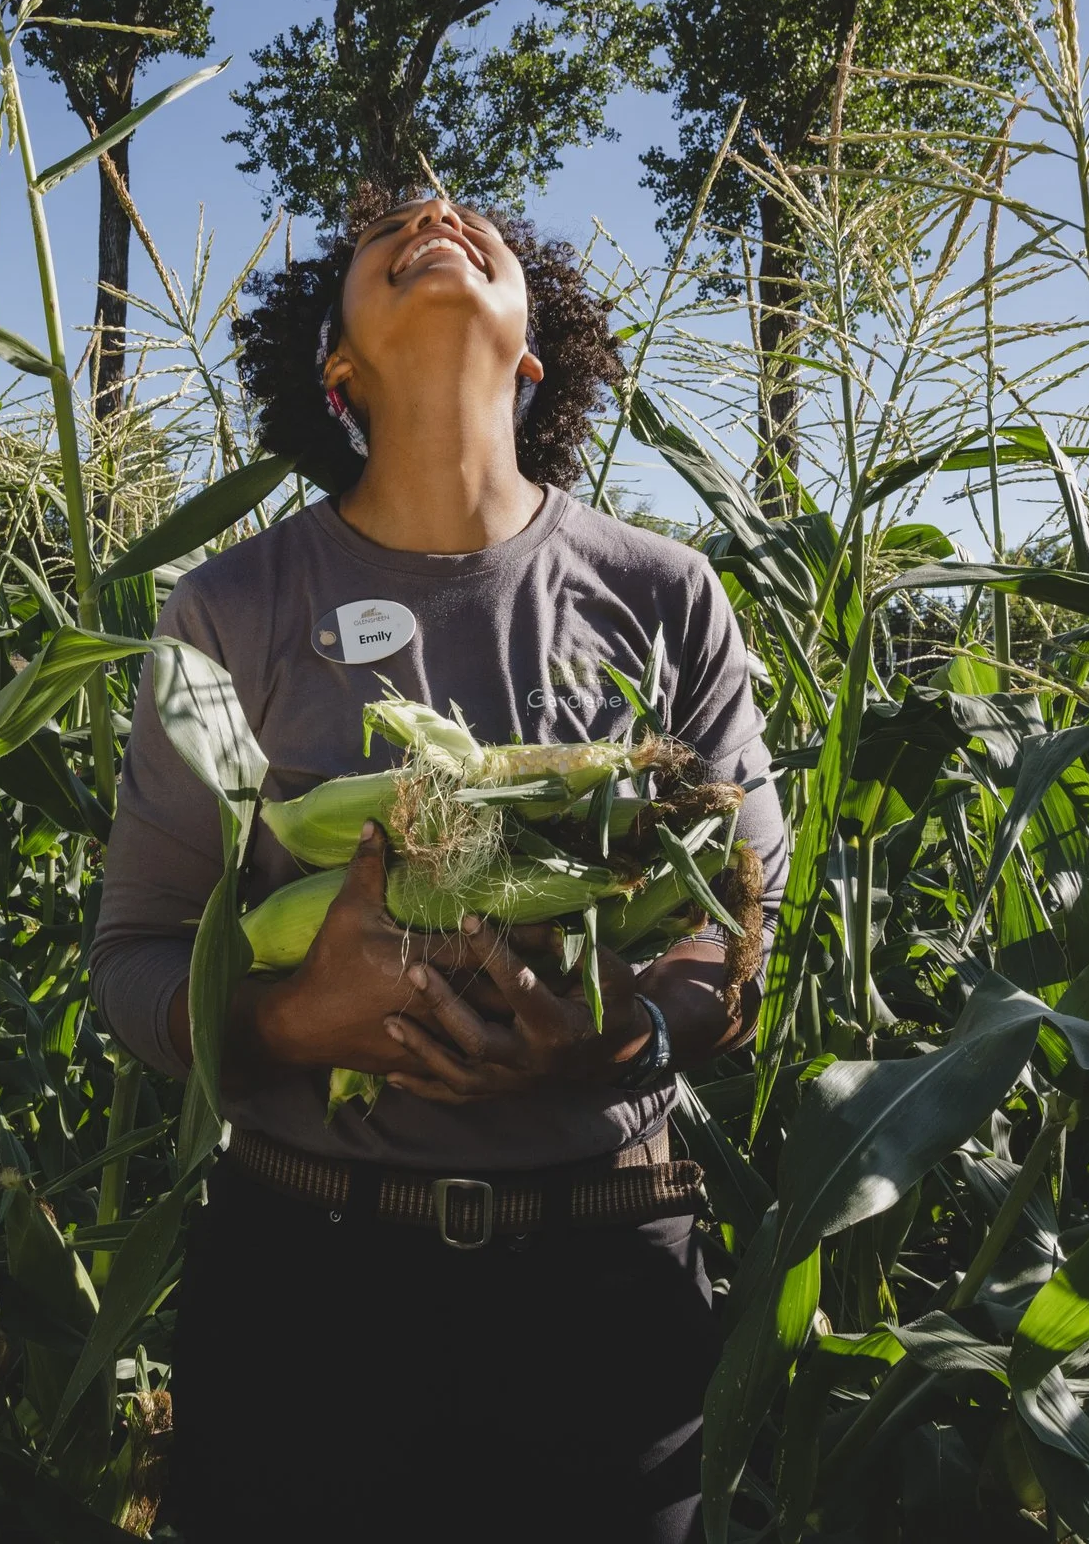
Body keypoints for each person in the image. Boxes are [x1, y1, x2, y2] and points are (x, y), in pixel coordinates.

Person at [90, 188, 788, 1543]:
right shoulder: (231, 609)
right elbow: (135, 960)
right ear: (337, 370)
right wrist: (297, 1015)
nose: (434, 211)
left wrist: (627, 1028)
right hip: (309, 1283)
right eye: (382, 238)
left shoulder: (667, 594)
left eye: (478, 226)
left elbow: (738, 941)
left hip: (606, 1281)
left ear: (533, 361)